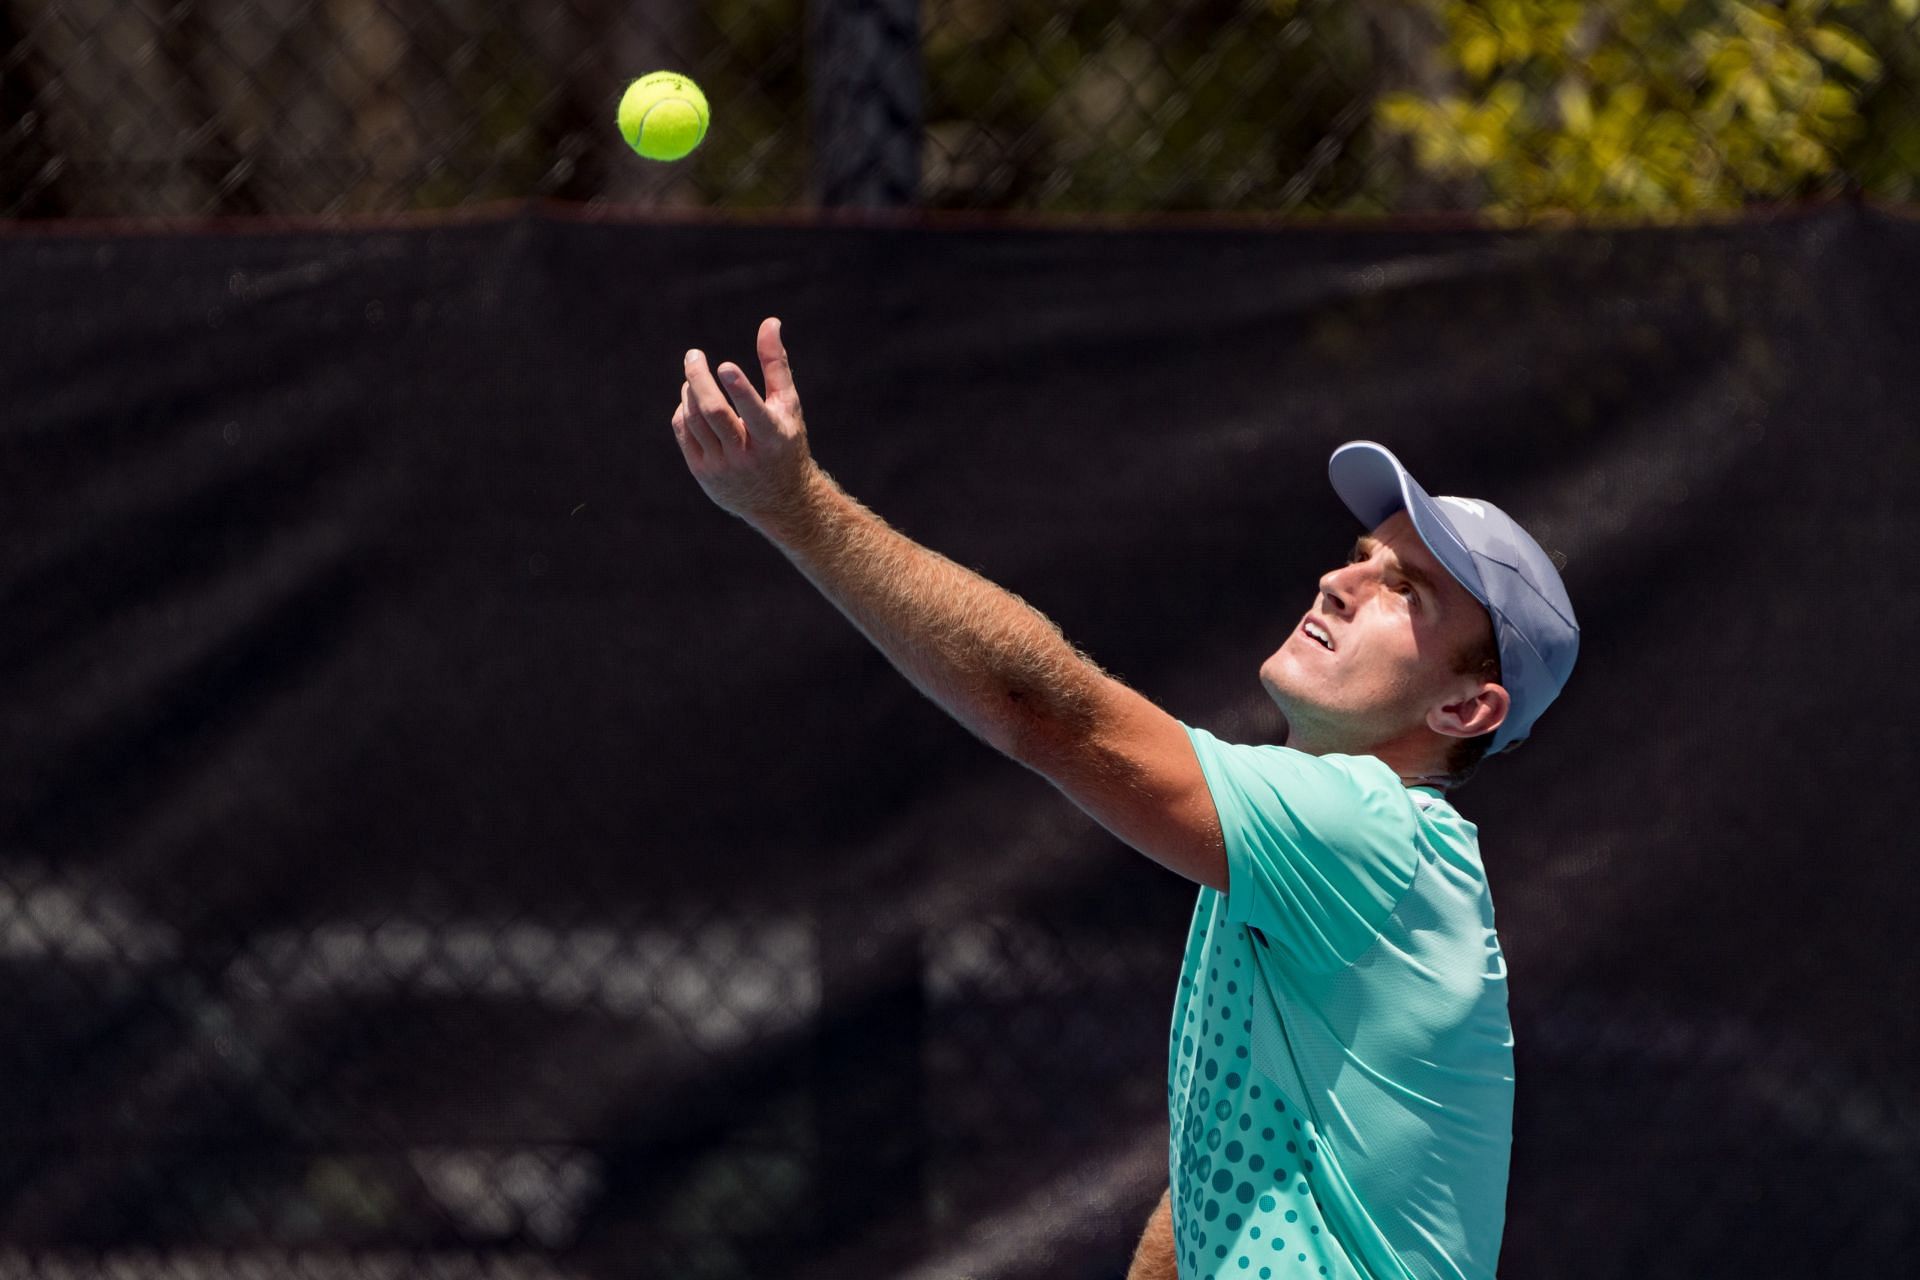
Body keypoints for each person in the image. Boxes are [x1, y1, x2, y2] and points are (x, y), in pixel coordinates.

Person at [671, 318, 1579, 1280]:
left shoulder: (1370, 830)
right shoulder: (1305, 858)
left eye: (1409, 591)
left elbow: (1051, 714)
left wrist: (795, 506)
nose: (1341, 581)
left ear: (1465, 706)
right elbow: (1222, 1163)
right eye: (1360, 553)